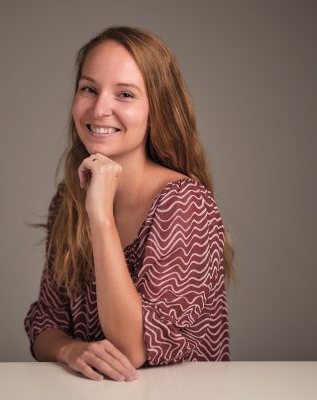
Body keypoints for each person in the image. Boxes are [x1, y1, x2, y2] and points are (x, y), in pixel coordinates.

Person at [24, 26, 234, 382]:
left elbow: (133, 349)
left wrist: (100, 217)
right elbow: (45, 322)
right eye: (89, 89)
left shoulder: (185, 203)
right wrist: (69, 350)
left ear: (157, 108)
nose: (99, 109)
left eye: (125, 94)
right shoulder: (70, 198)